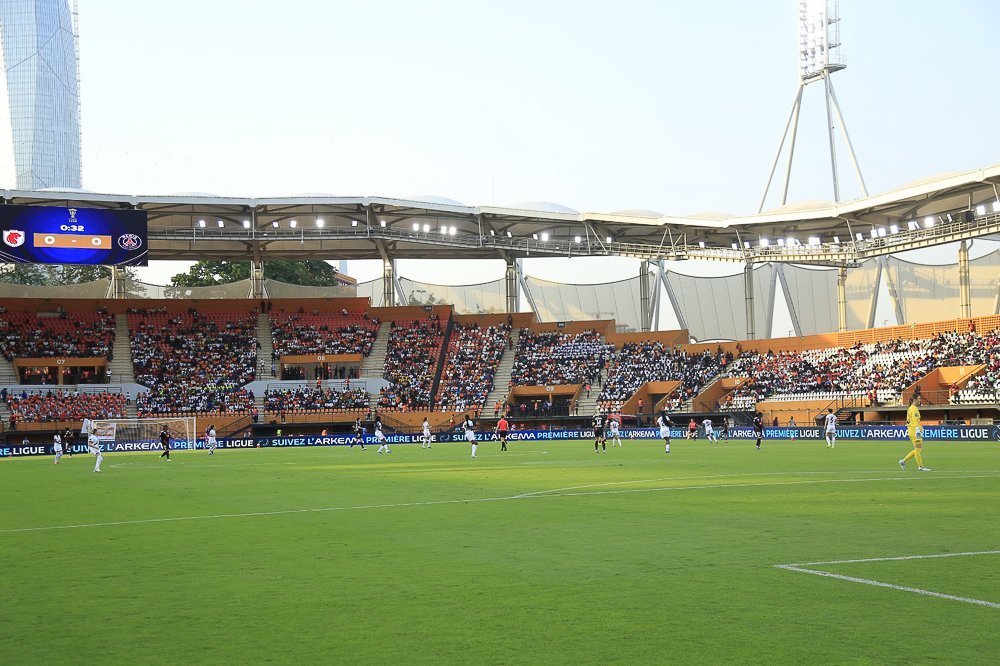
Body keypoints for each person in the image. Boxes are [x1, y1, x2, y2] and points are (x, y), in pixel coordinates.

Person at [899, 396, 930, 471]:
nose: (920, 400)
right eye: (919, 399)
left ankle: (903, 461)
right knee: (918, 449)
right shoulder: (914, 408)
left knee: (917, 449)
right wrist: (917, 430)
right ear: (914, 400)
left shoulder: (910, 408)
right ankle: (920, 466)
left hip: (911, 429)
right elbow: (915, 420)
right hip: (914, 430)